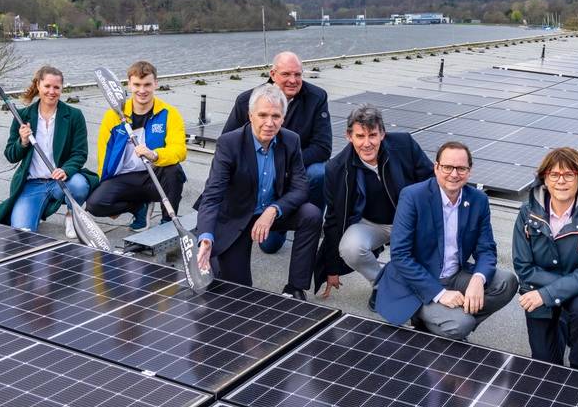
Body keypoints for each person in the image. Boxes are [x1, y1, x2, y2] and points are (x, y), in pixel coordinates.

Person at [374, 141, 519, 340]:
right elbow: (400, 255)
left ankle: (448, 318)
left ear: (469, 171)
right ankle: (430, 316)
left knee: (507, 282)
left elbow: (486, 249)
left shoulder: (478, 200)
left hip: (454, 275)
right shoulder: (413, 196)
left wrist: (478, 280)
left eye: (461, 168)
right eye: (447, 167)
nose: (454, 174)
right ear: (436, 167)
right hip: (416, 283)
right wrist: (440, 294)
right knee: (461, 324)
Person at [194, 84, 322, 300]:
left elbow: (301, 187)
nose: (269, 123)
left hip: (270, 214)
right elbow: (212, 195)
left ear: (283, 118)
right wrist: (205, 236)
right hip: (237, 216)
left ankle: (295, 287)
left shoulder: (291, 140)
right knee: (238, 292)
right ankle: (217, 256)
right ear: (250, 115)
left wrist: (274, 209)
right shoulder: (229, 143)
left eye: (276, 116)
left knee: (311, 214)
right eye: (263, 115)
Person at [315, 105, 433, 307]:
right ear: (349, 136)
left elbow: (431, 181)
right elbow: (333, 219)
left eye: (372, 135)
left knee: (418, 262)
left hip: (409, 220)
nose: (367, 143)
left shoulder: (404, 145)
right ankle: (381, 284)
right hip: (370, 223)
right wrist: (331, 268)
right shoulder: (336, 168)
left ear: (382, 134)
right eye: (360, 136)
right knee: (351, 247)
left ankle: (410, 279)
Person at [222, 51, 331, 253]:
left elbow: (323, 148)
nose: (293, 80)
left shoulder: (316, 98)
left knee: (320, 172)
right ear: (272, 74)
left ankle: (310, 227)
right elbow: (227, 145)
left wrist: (287, 166)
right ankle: (277, 219)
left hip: (298, 171)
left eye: (297, 74)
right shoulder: (247, 101)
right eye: (286, 74)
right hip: (262, 177)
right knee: (270, 246)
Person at [512, 147, 578, 369]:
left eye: (569, 174)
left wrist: (551, 293)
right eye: (554, 174)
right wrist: (556, 291)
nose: (561, 181)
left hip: (573, 293)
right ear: (545, 179)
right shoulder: (527, 212)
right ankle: (561, 319)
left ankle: (577, 363)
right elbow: (524, 267)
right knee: (546, 365)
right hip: (538, 289)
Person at [0, 66, 98, 234]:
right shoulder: (22, 116)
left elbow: (79, 153)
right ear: (38, 85)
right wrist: (22, 142)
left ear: (62, 88)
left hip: (61, 181)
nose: (52, 91)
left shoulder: (74, 115)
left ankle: (72, 215)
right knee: (22, 231)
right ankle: (37, 207)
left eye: (56, 87)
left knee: (79, 185)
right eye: (47, 86)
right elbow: (10, 155)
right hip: (32, 184)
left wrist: (66, 170)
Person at [87, 61, 187, 231]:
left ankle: (168, 220)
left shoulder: (169, 113)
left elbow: (180, 150)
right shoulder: (112, 116)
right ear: (129, 85)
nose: (142, 90)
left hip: (154, 175)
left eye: (147, 84)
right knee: (95, 205)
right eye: (137, 85)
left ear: (155, 84)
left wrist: (154, 155)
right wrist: (106, 188)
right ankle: (139, 208)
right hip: (125, 177)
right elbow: (104, 156)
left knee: (174, 170)